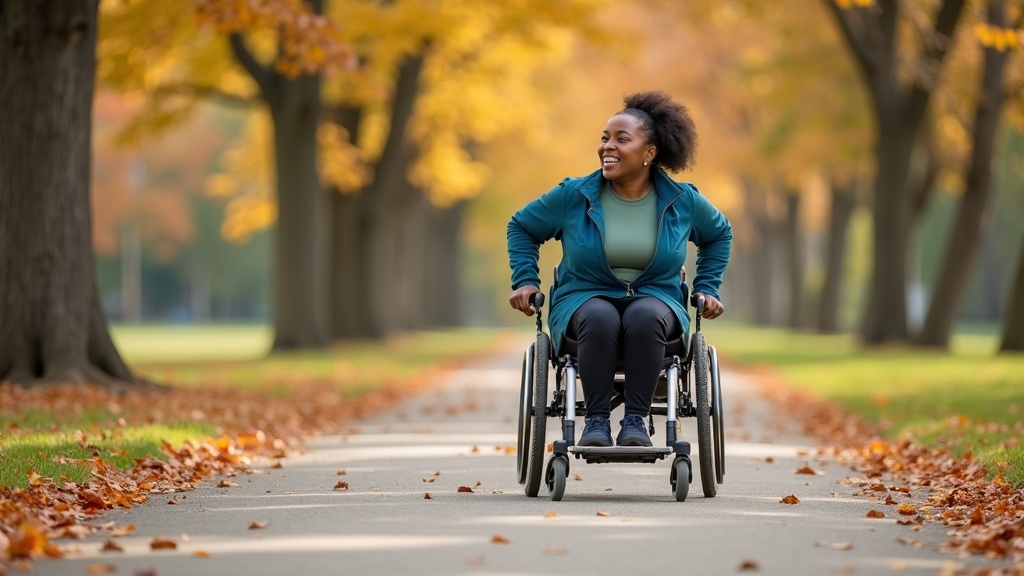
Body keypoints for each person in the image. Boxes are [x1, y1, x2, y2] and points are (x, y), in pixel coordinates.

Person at [506, 90, 732, 448]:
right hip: (583, 296)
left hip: (657, 297)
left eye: (621, 139)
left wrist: (708, 287)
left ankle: (635, 422)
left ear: (649, 153)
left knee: (644, 315)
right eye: (604, 138)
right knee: (600, 316)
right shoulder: (574, 194)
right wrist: (525, 280)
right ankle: (595, 422)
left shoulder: (682, 199)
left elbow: (719, 234)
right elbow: (521, 226)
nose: (607, 146)